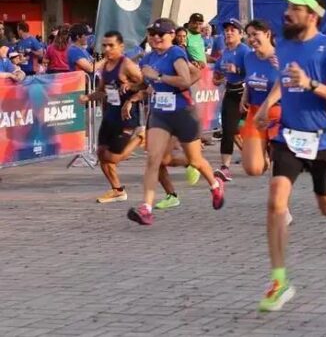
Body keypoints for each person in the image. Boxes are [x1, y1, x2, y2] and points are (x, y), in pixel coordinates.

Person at [253, 0, 326, 312]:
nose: (288, 12)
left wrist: (311, 84)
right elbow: (283, 78)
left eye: (296, 8)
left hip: (323, 140)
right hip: (287, 136)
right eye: (288, 6)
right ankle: (279, 281)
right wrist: (267, 105)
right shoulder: (285, 44)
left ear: (312, 15)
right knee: (276, 202)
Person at [127, 18, 225, 225]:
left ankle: (215, 185)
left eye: (160, 34)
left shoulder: (176, 54)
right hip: (160, 114)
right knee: (153, 159)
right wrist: (131, 90)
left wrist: (160, 77)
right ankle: (146, 208)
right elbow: (147, 84)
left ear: (171, 35)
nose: (155, 38)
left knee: (195, 160)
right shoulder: (147, 59)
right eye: (152, 34)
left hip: (183, 112)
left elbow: (185, 79)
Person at [79, 31, 147, 203]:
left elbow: (145, 84)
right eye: (105, 45)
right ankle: (117, 190)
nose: (107, 49)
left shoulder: (127, 65)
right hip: (110, 115)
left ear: (121, 47)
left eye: (111, 45)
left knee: (113, 158)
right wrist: (88, 97)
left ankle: (140, 138)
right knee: (101, 154)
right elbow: (102, 91)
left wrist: (131, 86)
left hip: (126, 116)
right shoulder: (106, 65)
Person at [239, 19, 281, 176]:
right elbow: (250, 78)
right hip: (255, 111)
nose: (251, 39)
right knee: (253, 169)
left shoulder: (281, 56)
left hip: (279, 112)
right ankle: (264, 153)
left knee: (282, 168)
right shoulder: (249, 57)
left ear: (267, 34)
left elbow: (287, 84)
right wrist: (245, 95)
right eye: (248, 35)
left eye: (255, 34)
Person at [213, 18, 251, 181]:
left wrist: (238, 69)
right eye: (226, 30)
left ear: (241, 34)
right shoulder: (224, 52)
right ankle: (225, 167)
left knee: (248, 129)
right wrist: (217, 78)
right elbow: (217, 73)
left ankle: (263, 156)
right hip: (230, 91)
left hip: (245, 92)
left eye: (232, 30)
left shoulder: (245, 51)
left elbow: (253, 71)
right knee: (228, 130)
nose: (228, 33)